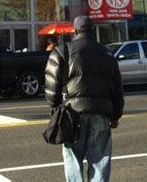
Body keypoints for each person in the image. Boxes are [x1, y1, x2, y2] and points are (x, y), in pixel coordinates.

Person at [44, 15, 124, 182]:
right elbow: (117, 89)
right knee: (100, 160)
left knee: (73, 159)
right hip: (101, 114)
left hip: (72, 114)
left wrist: (56, 107)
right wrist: (115, 115)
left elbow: (52, 86)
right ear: (92, 30)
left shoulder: (62, 50)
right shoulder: (107, 54)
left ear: (74, 31)